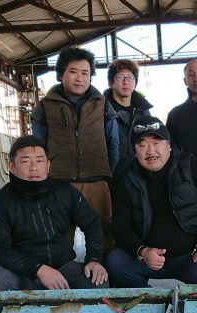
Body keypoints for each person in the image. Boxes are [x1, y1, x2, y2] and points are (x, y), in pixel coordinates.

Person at [106, 116, 197, 287]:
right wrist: (142, 251)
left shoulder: (190, 165)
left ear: (168, 145)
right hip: (149, 257)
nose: (150, 150)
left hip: (193, 255)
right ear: (134, 150)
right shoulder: (126, 178)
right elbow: (120, 225)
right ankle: (148, 298)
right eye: (143, 144)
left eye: (156, 142)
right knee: (116, 262)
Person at [0, 136, 108, 303]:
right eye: (25, 161)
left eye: (39, 161)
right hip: (21, 275)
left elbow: (92, 223)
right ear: (11, 166)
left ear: (48, 165)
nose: (34, 168)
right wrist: (38, 269)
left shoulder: (65, 192)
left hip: (63, 270)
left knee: (98, 281)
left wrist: (95, 260)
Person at [31, 46, 119, 253]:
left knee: (103, 234)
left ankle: (103, 276)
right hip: (59, 182)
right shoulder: (45, 106)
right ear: (61, 74)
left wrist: (106, 174)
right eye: (73, 71)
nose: (79, 78)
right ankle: (60, 280)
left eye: (85, 73)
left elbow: (114, 144)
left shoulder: (103, 105)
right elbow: (38, 147)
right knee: (58, 236)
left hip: (96, 180)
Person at [104, 59, 153, 180]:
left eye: (130, 77)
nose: (126, 82)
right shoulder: (101, 110)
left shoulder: (143, 110)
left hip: (141, 174)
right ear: (111, 83)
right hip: (112, 177)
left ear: (135, 82)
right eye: (120, 77)